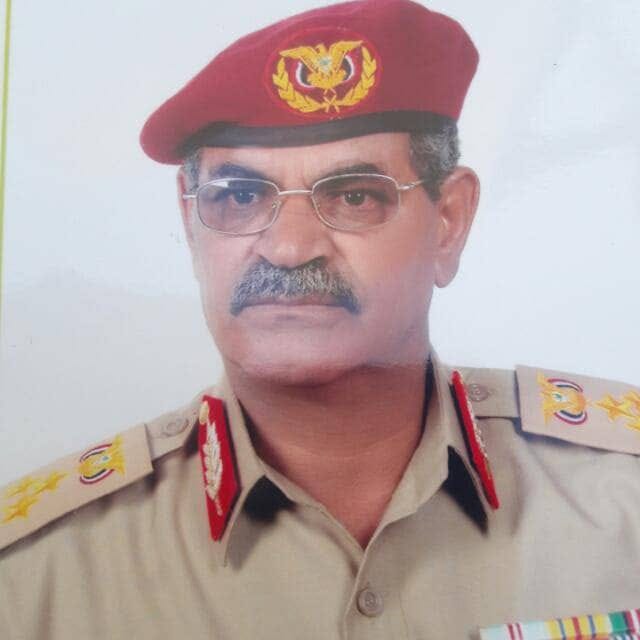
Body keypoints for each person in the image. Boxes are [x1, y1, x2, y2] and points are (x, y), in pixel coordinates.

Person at [1, 1, 639, 638]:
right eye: (240, 196)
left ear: (448, 221)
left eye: (354, 196)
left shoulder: (622, 501)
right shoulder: (36, 576)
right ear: (189, 221)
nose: (288, 248)